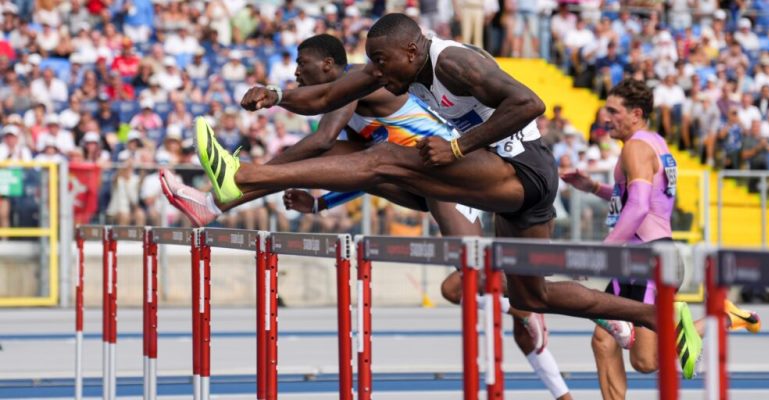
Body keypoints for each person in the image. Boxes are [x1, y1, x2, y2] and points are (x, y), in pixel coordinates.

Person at [200, 13, 700, 376]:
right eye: (371, 63)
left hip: (523, 167)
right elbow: (328, 96)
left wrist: (461, 143)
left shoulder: (454, 63)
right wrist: (276, 94)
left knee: (387, 159)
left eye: (382, 62)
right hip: (501, 176)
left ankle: (243, 178)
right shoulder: (388, 66)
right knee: (533, 294)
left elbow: (530, 102)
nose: (377, 73)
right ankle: (660, 314)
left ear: (412, 52)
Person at [161, 34, 571, 398]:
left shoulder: (360, 81)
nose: (296, 73)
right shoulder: (358, 99)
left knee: (468, 281)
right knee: (356, 161)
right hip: (416, 176)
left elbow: (321, 137)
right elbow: (365, 173)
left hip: (450, 171)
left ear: (328, 66)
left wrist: (266, 141)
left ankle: (554, 312)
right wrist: (322, 203)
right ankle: (215, 200)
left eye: (302, 65)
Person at [561, 79, 761, 398]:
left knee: (645, 361)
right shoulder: (654, 142)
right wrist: (593, 187)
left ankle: (719, 317)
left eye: (613, 111)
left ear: (636, 113)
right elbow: (636, 197)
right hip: (634, 255)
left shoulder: (636, 148)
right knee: (603, 340)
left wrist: (601, 253)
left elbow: (639, 207)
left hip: (647, 259)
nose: (605, 118)